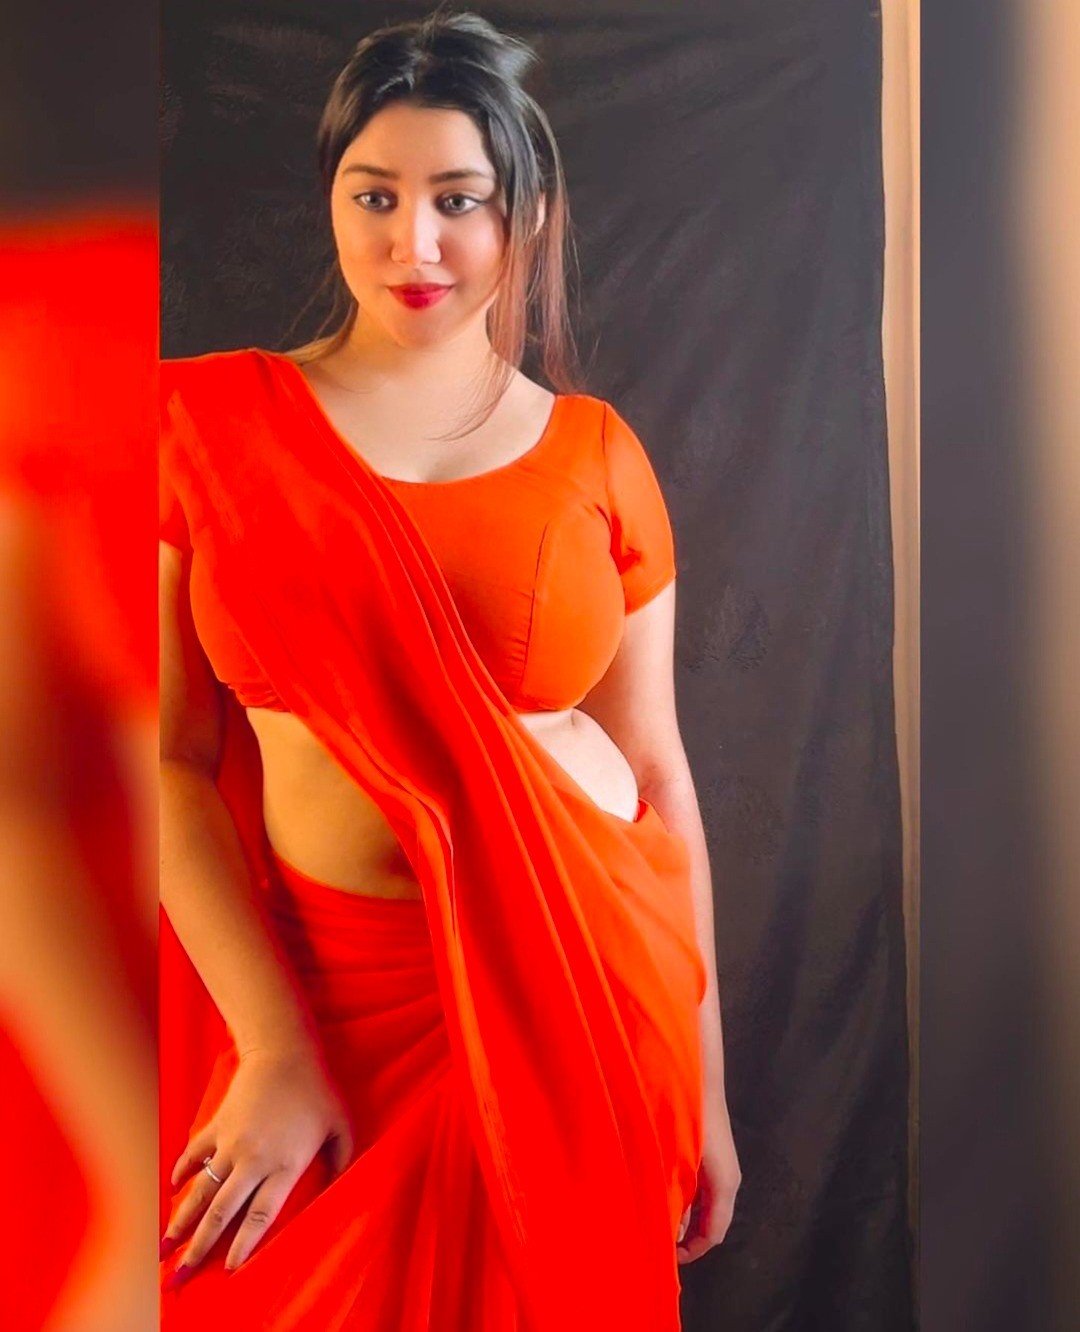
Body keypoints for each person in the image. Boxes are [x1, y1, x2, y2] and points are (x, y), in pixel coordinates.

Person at [159, 10, 741, 1329]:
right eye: (375, 196)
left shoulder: (597, 453)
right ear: (332, 199)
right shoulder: (205, 426)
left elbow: (659, 776)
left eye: (457, 201)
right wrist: (274, 1047)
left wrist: (707, 1090)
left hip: (586, 1017)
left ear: (522, 216)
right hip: (323, 1019)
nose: (411, 243)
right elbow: (166, 762)